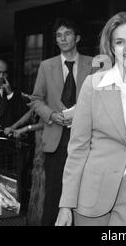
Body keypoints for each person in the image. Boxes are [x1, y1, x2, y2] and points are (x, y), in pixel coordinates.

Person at [56, 12, 126, 226]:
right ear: (111, 48)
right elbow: (78, 147)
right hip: (93, 194)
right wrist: (66, 204)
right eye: (120, 42)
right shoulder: (93, 84)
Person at [31, 18, 93, 226]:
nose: (63, 38)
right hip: (56, 137)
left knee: (84, 191)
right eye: (59, 35)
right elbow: (36, 100)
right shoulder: (46, 66)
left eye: (67, 34)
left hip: (85, 137)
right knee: (54, 194)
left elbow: (100, 98)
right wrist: (50, 115)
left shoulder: (93, 63)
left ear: (77, 38)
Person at [4, 107, 45, 226]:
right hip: (38, 144)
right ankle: (33, 217)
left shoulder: (50, 98)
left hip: (47, 145)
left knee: (42, 182)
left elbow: (46, 123)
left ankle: (40, 219)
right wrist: (13, 127)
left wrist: (24, 129)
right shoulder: (38, 101)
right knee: (35, 179)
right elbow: (29, 113)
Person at [0, 58, 28, 134]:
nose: (1, 76)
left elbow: (21, 117)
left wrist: (10, 94)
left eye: (5, 73)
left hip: (6, 140)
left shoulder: (15, 92)